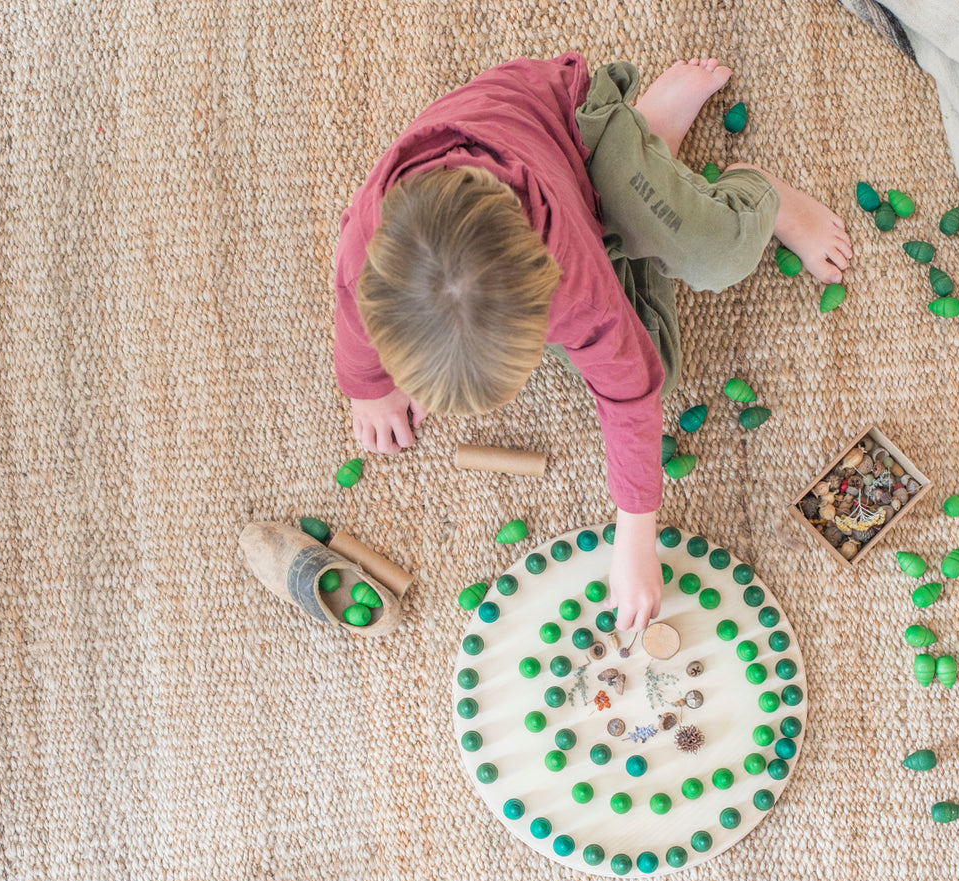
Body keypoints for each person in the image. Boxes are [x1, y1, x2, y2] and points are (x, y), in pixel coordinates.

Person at [333, 52, 851, 631]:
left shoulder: (572, 277)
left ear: (545, 293)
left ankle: (725, 178)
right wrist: (370, 388)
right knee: (652, 348)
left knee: (716, 257)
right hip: (534, 188)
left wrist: (635, 537)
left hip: (577, 132)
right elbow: (353, 320)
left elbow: (630, 391)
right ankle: (651, 155)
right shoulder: (366, 250)